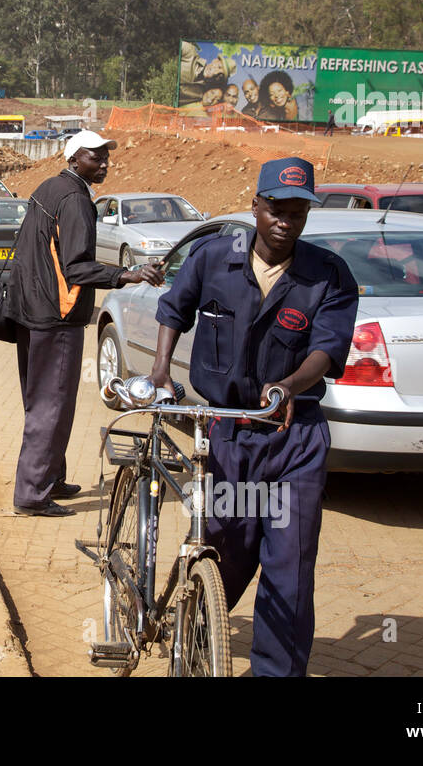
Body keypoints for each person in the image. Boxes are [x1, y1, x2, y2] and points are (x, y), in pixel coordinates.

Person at [145, 157, 357, 676]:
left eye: (298, 212)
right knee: (225, 554)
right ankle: (200, 632)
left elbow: (327, 350)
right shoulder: (214, 257)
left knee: (290, 569)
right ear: (256, 204)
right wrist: (158, 370)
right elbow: (175, 308)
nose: (286, 221)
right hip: (225, 436)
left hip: (294, 440)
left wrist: (290, 386)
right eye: (277, 209)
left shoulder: (327, 274)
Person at [5, 130, 163, 516]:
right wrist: (128, 274)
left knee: (43, 401)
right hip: (57, 318)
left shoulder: (49, 187)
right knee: (52, 405)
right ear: (75, 159)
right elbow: (76, 267)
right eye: (96, 157)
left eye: (107, 156)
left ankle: (50, 478)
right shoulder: (75, 199)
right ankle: (32, 495)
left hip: (32, 313)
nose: (105, 163)